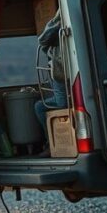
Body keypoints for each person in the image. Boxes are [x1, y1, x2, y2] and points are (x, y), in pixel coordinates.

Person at [34, 9, 68, 155]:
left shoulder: (60, 24)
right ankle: (51, 143)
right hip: (60, 71)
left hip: (60, 72)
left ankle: (51, 144)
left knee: (42, 107)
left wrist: (56, 21)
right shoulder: (60, 29)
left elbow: (42, 40)